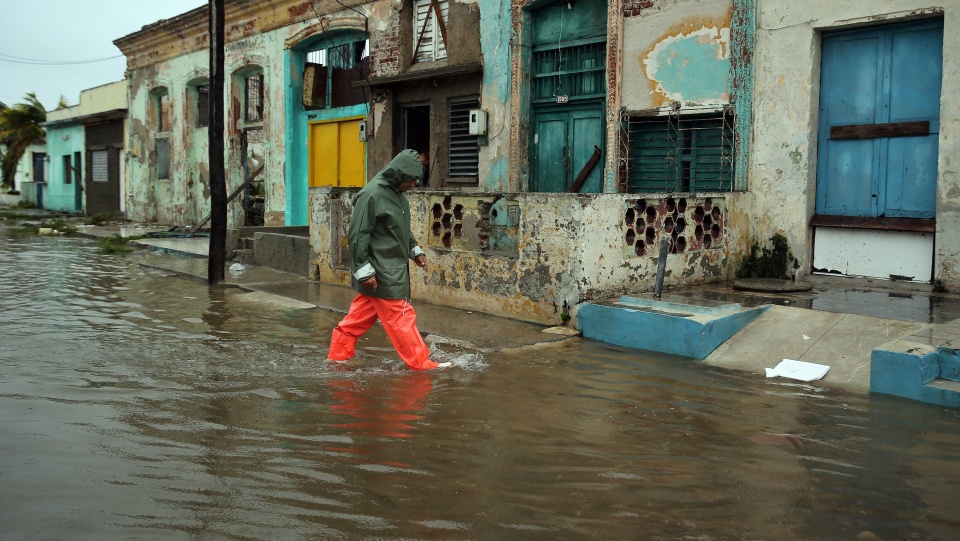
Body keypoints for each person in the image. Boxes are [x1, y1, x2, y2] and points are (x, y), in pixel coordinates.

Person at [327, 149, 451, 370]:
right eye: (411, 180)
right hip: (383, 272)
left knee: (356, 320)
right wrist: (364, 270)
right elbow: (357, 235)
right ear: (400, 175)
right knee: (401, 317)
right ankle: (421, 364)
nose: (414, 185)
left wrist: (415, 251)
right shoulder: (372, 194)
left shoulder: (398, 195)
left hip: (387, 269)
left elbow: (401, 230)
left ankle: (338, 357)